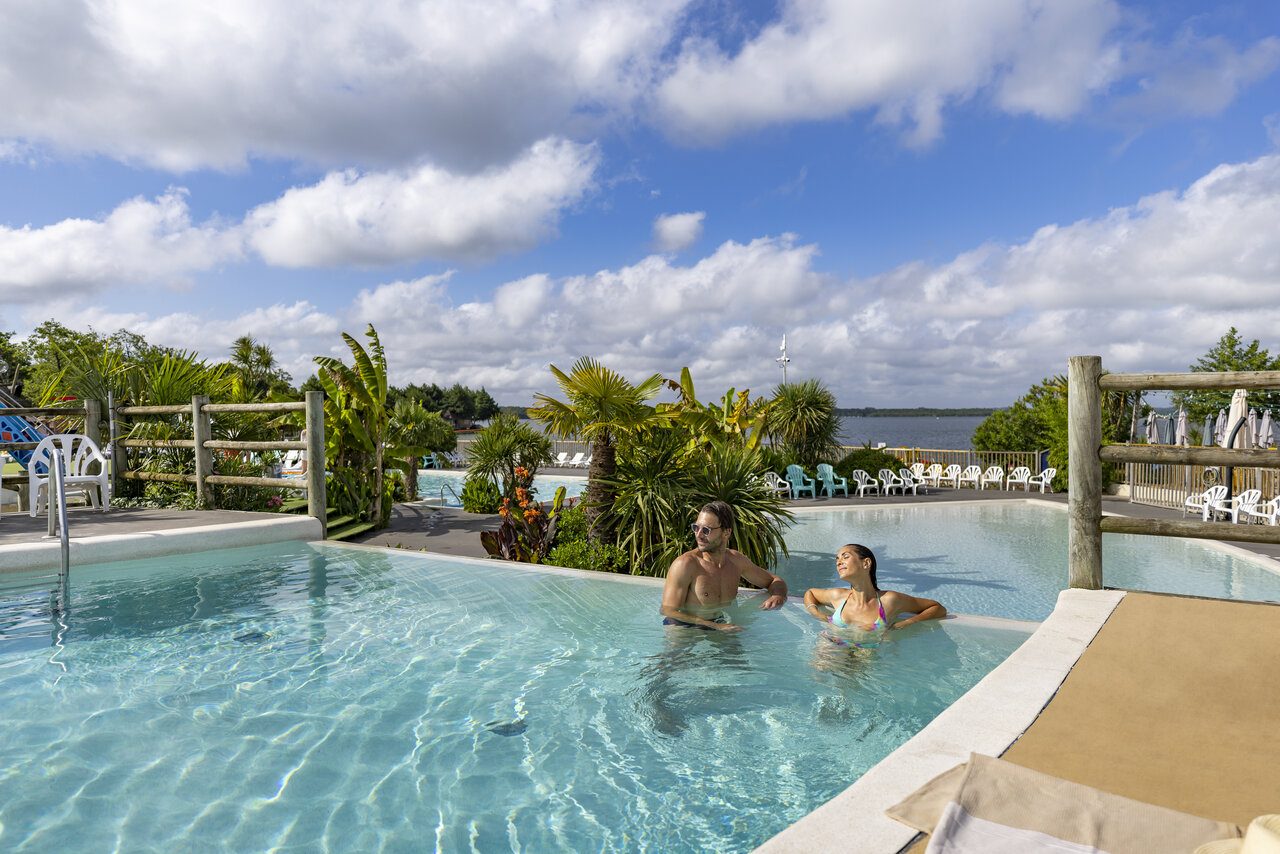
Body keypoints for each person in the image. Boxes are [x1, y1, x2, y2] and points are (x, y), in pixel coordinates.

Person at [660, 500, 788, 632]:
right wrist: (716, 626)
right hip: (683, 625)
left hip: (719, 622)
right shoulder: (685, 565)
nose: (698, 535)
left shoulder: (736, 561)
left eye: (706, 530)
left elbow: (774, 580)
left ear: (726, 532)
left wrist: (778, 596)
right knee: (677, 645)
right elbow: (668, 610)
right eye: (696, 527)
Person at [803, 544, 945, 645]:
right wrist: (815, 612)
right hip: (829, 652)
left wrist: (908, 622)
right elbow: (810, 593)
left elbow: (937, 608)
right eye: (837, 560)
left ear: (866, 563)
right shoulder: (838, 596)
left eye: (845, 557)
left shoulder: (889, 600)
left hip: (865, 659)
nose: (839, 562)